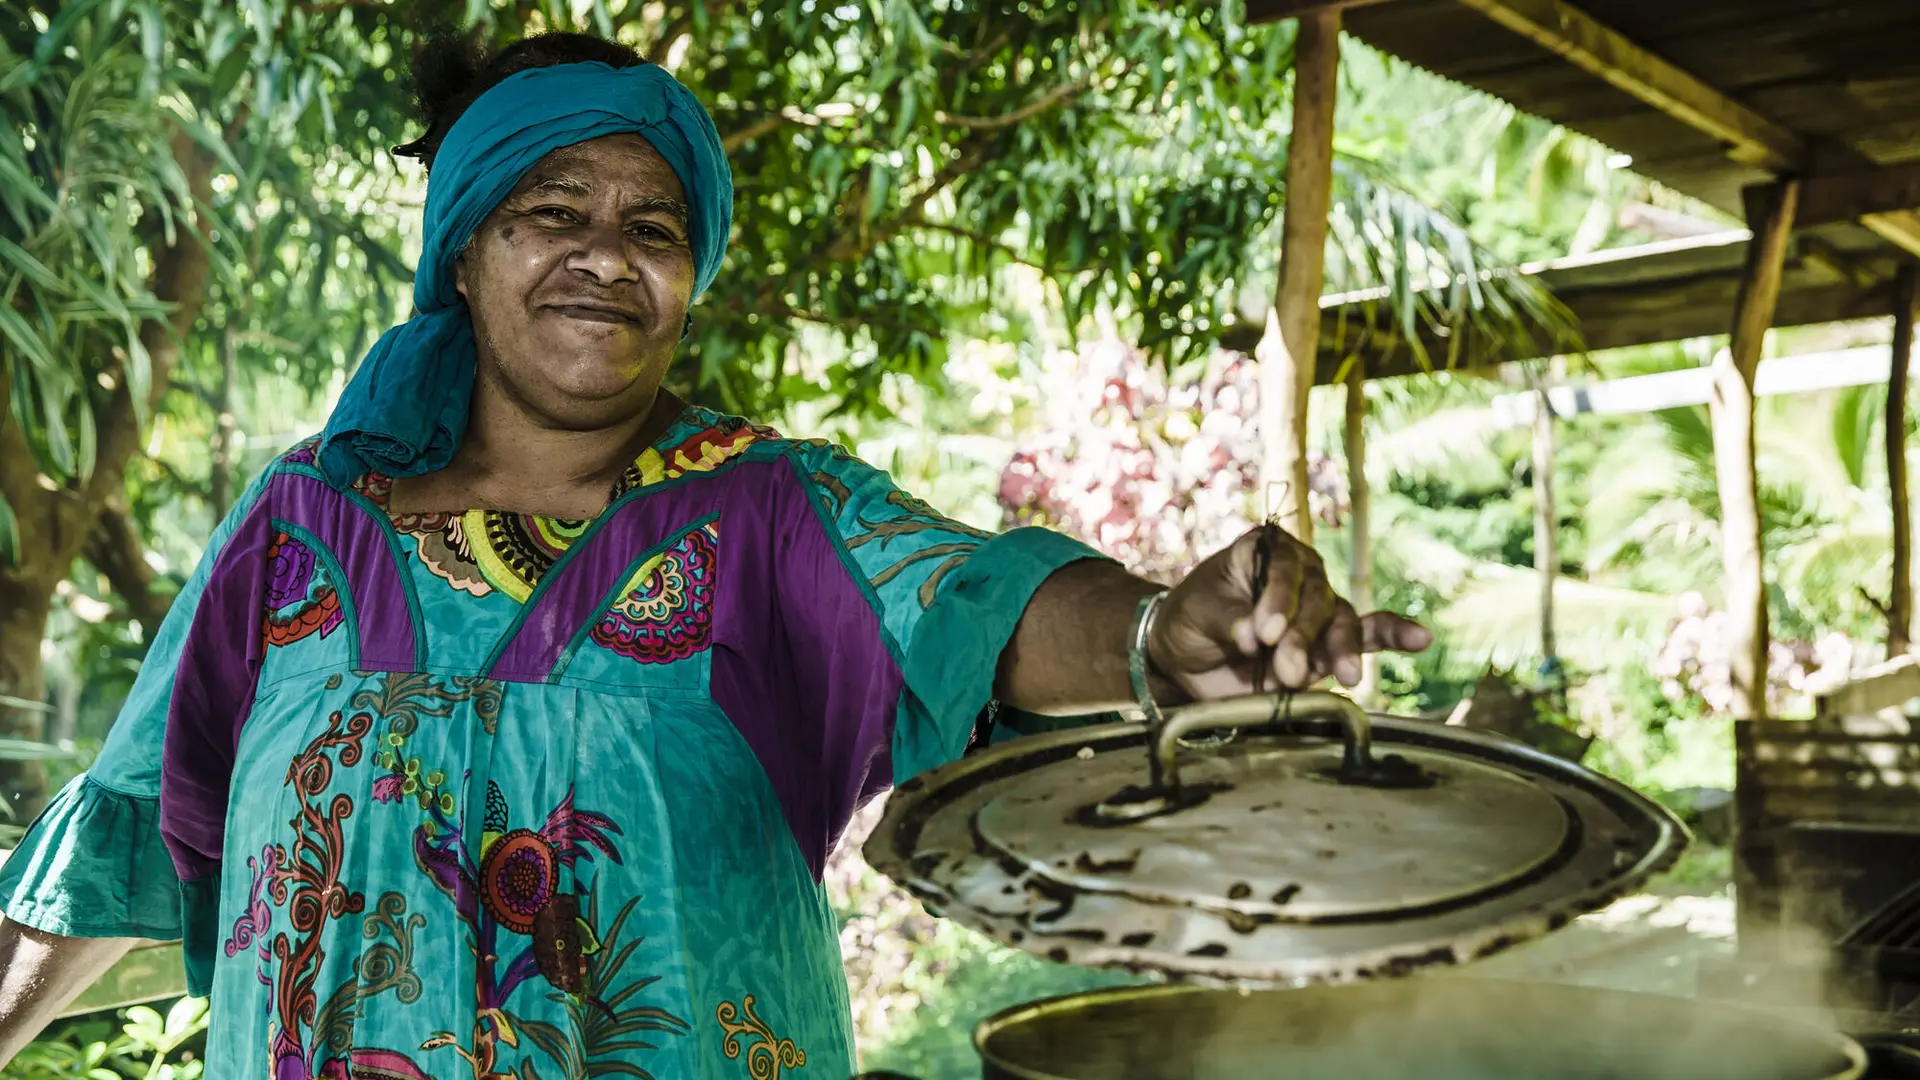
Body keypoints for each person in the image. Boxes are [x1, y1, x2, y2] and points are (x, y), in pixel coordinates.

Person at [0, 32, 1429, 1078]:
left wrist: (1153, 633)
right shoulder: (302, 517)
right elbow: (132, 813)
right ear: (463, 251)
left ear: (692, 277)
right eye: (552, 212)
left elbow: (980, 602)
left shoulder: (770, 511)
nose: (606, 257)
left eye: (653, 227)